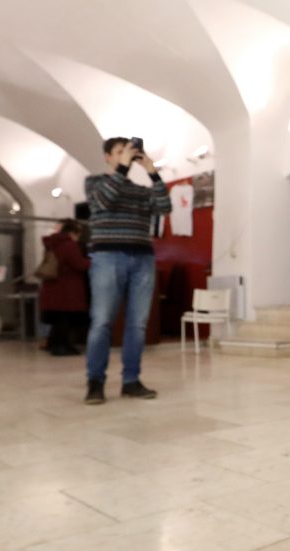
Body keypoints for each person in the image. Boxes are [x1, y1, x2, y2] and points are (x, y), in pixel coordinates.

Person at [83, 137, 172, 405]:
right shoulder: (94, 183)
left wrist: (153, 172)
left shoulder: (141, 191)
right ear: (107, 157)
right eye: (120, 152)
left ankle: (131, 381)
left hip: (142, 258)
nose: (126, 155)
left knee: (137, 324)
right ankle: (95, 382)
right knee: (102, 321)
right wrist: (122, 168)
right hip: (108, 257)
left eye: (129, 151)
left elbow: (164, 207)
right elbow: (104, 201)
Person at [39, 219, 90, 356]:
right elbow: (79, 264)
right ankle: (61, 347)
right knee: (65, 320)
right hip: (67, 288)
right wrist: (92, 261)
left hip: (52, 286)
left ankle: (55, 345)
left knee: (58, 320)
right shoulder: (69, 245)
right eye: (78, 233)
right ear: (73, 232)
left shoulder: (52, 243)